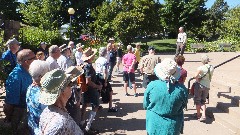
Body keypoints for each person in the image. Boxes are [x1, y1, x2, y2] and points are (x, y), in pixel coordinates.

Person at [143, 58, 188, 135]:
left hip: (154, 124)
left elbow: (145, 105)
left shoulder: (152, 85)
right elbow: (183, 105)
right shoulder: (182, 89)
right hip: (173, 127)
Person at [39, 68, 84, 135]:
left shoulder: (48, 110)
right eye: (70, 84)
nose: (72, 87)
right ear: (63, 90)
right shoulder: (59, 123)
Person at [4, 49, 36, 134]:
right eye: (34, 57)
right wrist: (9, 119)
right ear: (26, 61)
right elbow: (9, 104)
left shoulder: (29, 70)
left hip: (29, 112)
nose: (36, 59)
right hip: (20, 114)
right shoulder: (16, 77)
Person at [80, 48, 103, 134]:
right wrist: (97, 86)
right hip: (91, 89)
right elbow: (88, 81)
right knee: (95, 106)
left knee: (85, 104)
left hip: (86, 89)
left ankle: (82, 123)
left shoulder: (84, 64)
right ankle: (88, 127)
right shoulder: (88, 66)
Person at [26, 60, 50, 135]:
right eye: (47, 73)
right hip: (42, 130)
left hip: (33, 126)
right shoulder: (44, 95)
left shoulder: (30, 88)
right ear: (41, 77)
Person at [95, 47, 118, 112]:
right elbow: (105, 71)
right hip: (102, 77)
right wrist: (105, 81)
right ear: (105, 53)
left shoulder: (97, 60)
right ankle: (110, 107)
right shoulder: (105, 61)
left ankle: (97, 105)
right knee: (110, 91)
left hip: (97, 76)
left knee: (99, 91)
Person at [193, 54, 214, 122]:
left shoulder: (201, 68)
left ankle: (198, 115)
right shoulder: (211, 67)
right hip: (207, 86)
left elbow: (195, 76)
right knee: (203, 101)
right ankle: (203, 115)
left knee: (197, 100)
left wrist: (197, 79)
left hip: (200, 85)